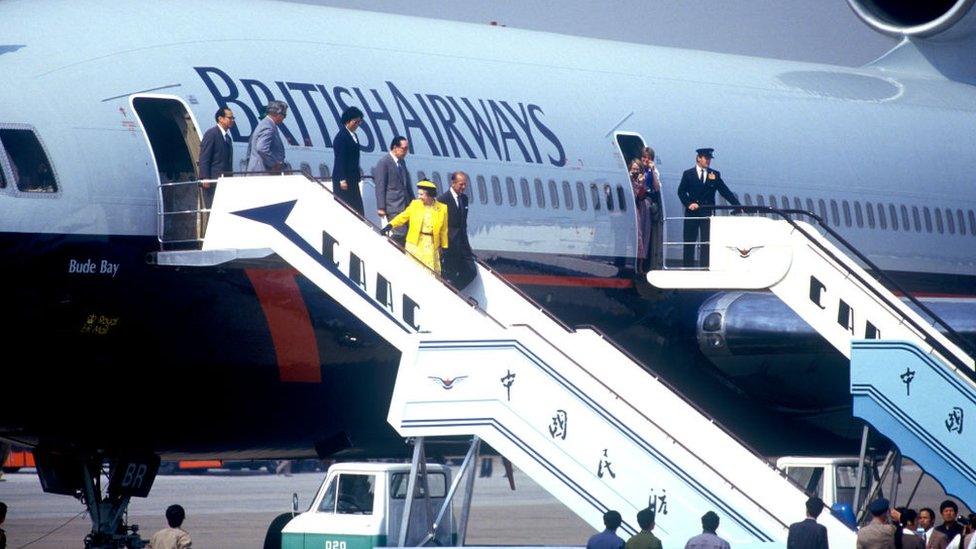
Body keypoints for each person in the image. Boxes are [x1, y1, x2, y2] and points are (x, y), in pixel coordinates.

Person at [676, 147, 740, 268]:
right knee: (689, 242)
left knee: (706, 243)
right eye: (706, 158)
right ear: (698, 158)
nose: (708, 161)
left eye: (709, 158)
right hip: (692, 212)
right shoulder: (688, 174)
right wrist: (689, 203)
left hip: (706, 212)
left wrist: (737, 205)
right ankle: (687, 269)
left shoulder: (714, 175)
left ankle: (705, 268)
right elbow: (681, 192)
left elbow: (725, 191)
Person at [383, 180, 448, 274]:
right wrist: (390, 225)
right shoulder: (415, 204)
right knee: (413, 269)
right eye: (419, 194)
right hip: (414, 243)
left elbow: (444, 230)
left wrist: (444, 246)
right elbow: (403, 216)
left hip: (430, 244)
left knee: (429, 271)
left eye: (421, 194)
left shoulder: (442, 208)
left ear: (429, 195)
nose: (419, 197)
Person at [437, 171, 477, 289]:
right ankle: (450, 291)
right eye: (461, 184)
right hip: (449, 243)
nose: (463, 187)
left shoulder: (464, 199)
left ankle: (454, 290)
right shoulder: (443, 199)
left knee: (471, 271)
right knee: (450, 273)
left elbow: (463, 224)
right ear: (453, 183)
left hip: (462, 244)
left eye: (465, 185)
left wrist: (467, 246)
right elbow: (440, 224)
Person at [373, 136, 413, 244]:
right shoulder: (384, 163)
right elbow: (380, 186)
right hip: (393, 206)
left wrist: (413, 202)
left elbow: (407, 185)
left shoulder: (401, 162)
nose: (406, 152)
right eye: (404, 148)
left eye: (407, 149)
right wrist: (381, 207)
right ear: (395, 147)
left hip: (405, 206)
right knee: (400, 233)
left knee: (409, 234)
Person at [332, 106, 365, 215]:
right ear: (348, 121)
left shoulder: (353, 135)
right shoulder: (342, 137)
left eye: (359, 122)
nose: (357, 125)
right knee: (347, 210)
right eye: (355, 122)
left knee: (358, 210)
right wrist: (342, 179)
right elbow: (340, 159)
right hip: (344, 180)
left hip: (352, 179)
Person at [245, 101, 287, 173]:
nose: (284, 118)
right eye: (284, 115)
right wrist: (274, 164)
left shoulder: (267, 124)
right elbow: (262, 148)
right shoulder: (268, 126)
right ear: (279, 114)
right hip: (262, 173)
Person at [641, 147, 663, 268]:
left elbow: (656, 187)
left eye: (648, 159)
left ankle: (646, 265)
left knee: (647, 235)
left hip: (648, 202)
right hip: (639, 202)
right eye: (643, 158)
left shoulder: (653, 172)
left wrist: (653, 170)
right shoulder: (637, 169)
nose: (645, 161)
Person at [198, 107, 235, 179]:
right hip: (213, 180)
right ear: (220, 119)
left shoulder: (228, 138)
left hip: (225, 180)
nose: (232, 120)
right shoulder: (211, 134)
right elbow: (204, 158)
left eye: (233, 118)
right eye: (230, 118)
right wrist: (205, 178)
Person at [630, 159, 653, 273]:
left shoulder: (641, 181)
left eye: (637, 170)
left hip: (640, 210)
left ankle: (640, 266)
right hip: (631, 210)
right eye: (633, 169)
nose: (635, 171)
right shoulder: (627, 180)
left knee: (642, 237)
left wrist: (641, 183)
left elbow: (641, 196)